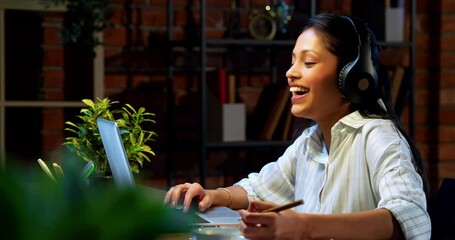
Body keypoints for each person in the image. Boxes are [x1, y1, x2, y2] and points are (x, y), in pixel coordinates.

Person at [164, 13, 431, 239]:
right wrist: (212, 196)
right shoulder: (309, 141)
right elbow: (257, 188)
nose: (291, 72)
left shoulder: (378, 136)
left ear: (352, 76)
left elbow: (409, 218)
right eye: (293, 61)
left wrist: (302, 226)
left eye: (309, 62)